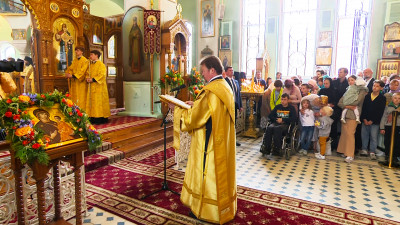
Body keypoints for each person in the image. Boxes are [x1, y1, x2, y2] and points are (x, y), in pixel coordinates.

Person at [173, 56, 237, 224]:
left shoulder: (210, 90)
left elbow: (194, 119)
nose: (202, 75)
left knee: (205, 173)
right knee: (218, 175)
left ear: (212, 70)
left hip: (209, 141)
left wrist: (178, 110)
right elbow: (210, 110)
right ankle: (223, 207)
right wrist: (196, 104)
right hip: (221, 138)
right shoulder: (224, 86)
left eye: (203, 72)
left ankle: (205, 210)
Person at [337, 79, 367, 163]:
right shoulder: (348, 90)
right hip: (345, 114)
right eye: (349, 80)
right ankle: (343, 151)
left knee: (350, 134)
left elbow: (357, 101)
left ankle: (350, 154)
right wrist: (348, 106)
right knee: (344, 133)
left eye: (352, 80)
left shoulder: (362, 90)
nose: (350, 82)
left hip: (354, 115)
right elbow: (340, 102)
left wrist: (347, 105)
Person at [360, 80, 386, 159]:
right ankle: (364, 149)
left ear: (381, 88)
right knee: (364, 135)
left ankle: (372, 151)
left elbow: (380, 111)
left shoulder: (382, 98)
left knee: (373, 136)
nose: (374, 87)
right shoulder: (367, 96)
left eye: (377, 86)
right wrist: (364, 118)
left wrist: (372, 120)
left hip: (375, 121)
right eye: (374, 86)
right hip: (365, 120)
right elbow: (363, 108)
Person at [84, 50, 111, 124]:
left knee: (98, 103)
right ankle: (92, 117)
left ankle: (100, 118)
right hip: (91, 86)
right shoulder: (90, 65)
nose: (90, 56)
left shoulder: (101, 65)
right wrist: (87, 78)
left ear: (96, 55)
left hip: (99, 87)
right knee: (92, 102)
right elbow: (87, 73)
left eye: (92, 55)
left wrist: (93, 79)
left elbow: (102, 75)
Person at [379, 93, 400, 167]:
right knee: (387, 141)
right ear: (392, 99)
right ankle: (387, 156)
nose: (397, 100)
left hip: (397, 127)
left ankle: (394, 157)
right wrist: (382, 127)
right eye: (395, 98)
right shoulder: (388, 107)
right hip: (388, 126)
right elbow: (384, 117)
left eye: (399, 98)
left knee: (397, 142)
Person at [225, 66, 243, 146]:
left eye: (232, 70)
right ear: (226, 72)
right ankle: (227, 140)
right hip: (228, 105)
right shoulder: (224, 81)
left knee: (234, 123)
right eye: (230, 70)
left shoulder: (235, 81)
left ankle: (233, 140)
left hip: (235, 105)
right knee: (227, 123)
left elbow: (238, 94)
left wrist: (240, 106)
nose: (232, 72)